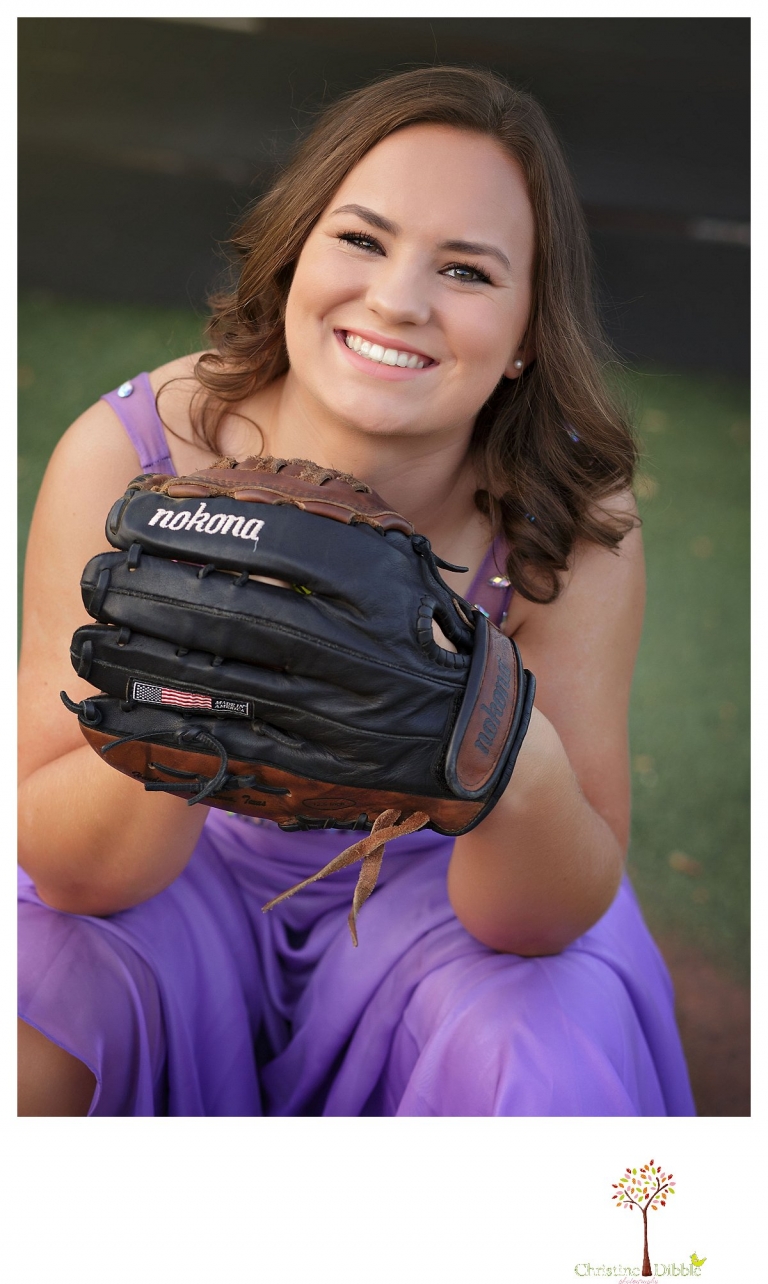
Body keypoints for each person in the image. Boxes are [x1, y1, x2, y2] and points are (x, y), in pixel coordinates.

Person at [17, 66, 695, 1117]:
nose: (398, 300)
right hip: (178, 868)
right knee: (38, 1004)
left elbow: (541, 917)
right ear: (298, 250)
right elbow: (69, 875)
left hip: (434, 891)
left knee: (542, 1049)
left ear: (528, 333)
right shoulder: (135, 455)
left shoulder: (569, 515)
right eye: (363, 240)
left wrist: (495, 744)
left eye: (466, 270)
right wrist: (194, 701)